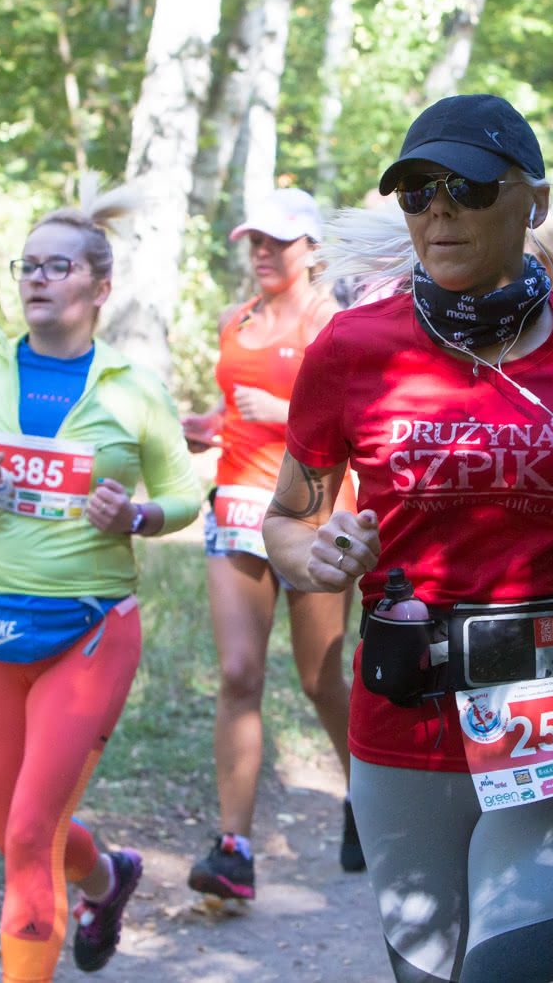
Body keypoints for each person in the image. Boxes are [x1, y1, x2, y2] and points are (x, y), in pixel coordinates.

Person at [263, 93, 553, 983]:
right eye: (417, 192)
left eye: (466, 188)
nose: (439, 212)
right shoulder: (351, 349)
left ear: (532, 202)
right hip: (405, 724)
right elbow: (287, 518)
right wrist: (314, 555)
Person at [0, 182, 201, 981]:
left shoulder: (133, 386)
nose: (37, 278)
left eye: (57, 266)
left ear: (99, 288)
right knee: (14, 827)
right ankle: (107, 879)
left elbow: (184, 495)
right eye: (28, 265)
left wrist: (135, 515)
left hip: (90, 629)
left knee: (29, 832)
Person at [177, 188, 363, 903]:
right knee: (237, 673)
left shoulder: (336, 324)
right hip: (236, 506)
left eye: (277, 242)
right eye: (254, 240)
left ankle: (367, 795)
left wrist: (284, 412)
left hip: (315, 514)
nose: (261, 252)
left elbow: (360, 421)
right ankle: (235, 848)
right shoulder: (238, 319)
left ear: (311, 250)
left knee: (319, 679)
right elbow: (236, 405)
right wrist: (212, 425)